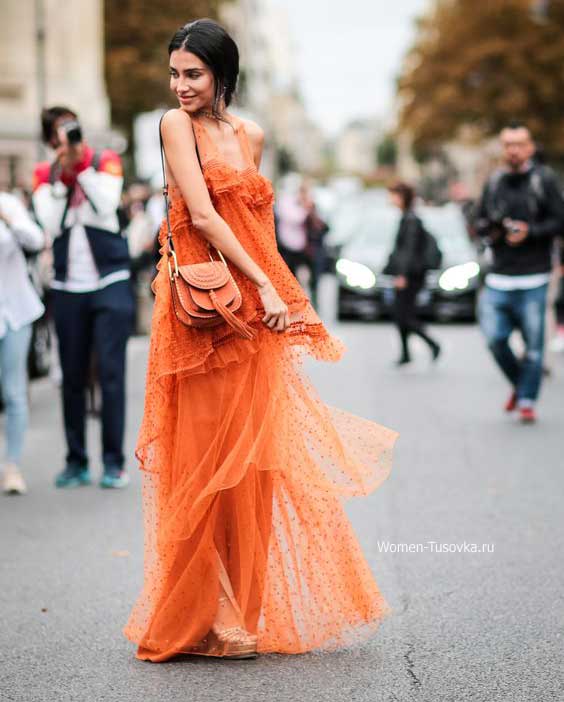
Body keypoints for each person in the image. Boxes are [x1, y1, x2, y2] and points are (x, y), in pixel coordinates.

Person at [122, 18, 399, 663]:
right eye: (175, 74)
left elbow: (260, 228)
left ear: (223, 74)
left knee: (251, 468)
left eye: (194, 73)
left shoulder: (252, 134)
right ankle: (204, 610)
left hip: (254, 318)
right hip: (201, 316)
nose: (182, 85)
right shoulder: (174, 127)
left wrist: (283, 298)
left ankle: (235, 612)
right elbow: (203, 216)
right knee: (201, 464)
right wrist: (268, 287)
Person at [32, 107, 135, 487]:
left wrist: (83, 169)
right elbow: (49, 220)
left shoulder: (105, 161)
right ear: (49, 141)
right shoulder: (45, 174)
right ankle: (76, 460)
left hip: (110, 280)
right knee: (72, 376)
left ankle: (113, 463)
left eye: (71, 131)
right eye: (60, 135)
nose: (69, 141)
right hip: (67, 286)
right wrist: (63, 176)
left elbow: (107, 206)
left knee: (111, 374)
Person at [474, 124, 564, 423]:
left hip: (534, 277)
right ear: (502, 148)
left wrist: (530, 232)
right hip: (499, 276)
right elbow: (480, 220)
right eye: (508, 144)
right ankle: (520, 384)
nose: (513, 150)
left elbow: (559, 222)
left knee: (534, 348)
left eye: (519, 144)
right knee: (495, 340)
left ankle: (526, 400)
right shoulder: (495, 181)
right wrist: (496, 230)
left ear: (530, 148)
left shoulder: (544, 180)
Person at [0, 190, 45, 494]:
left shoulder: (8, 203)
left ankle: (12, 467)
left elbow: (35, 240)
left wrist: (9, 217)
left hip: (14, 312)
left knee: (14, 392)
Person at [385, 182, 441, 366]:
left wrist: (402, 275)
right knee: (401, 314)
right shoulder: (407, 217)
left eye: (393, 194)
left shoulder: (411, 220)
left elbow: (408, 250)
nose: (390, 198)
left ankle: (432, 344)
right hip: (409, 274)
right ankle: (406, 353)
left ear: (401, 197)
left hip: (411, 276)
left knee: (404, 315)